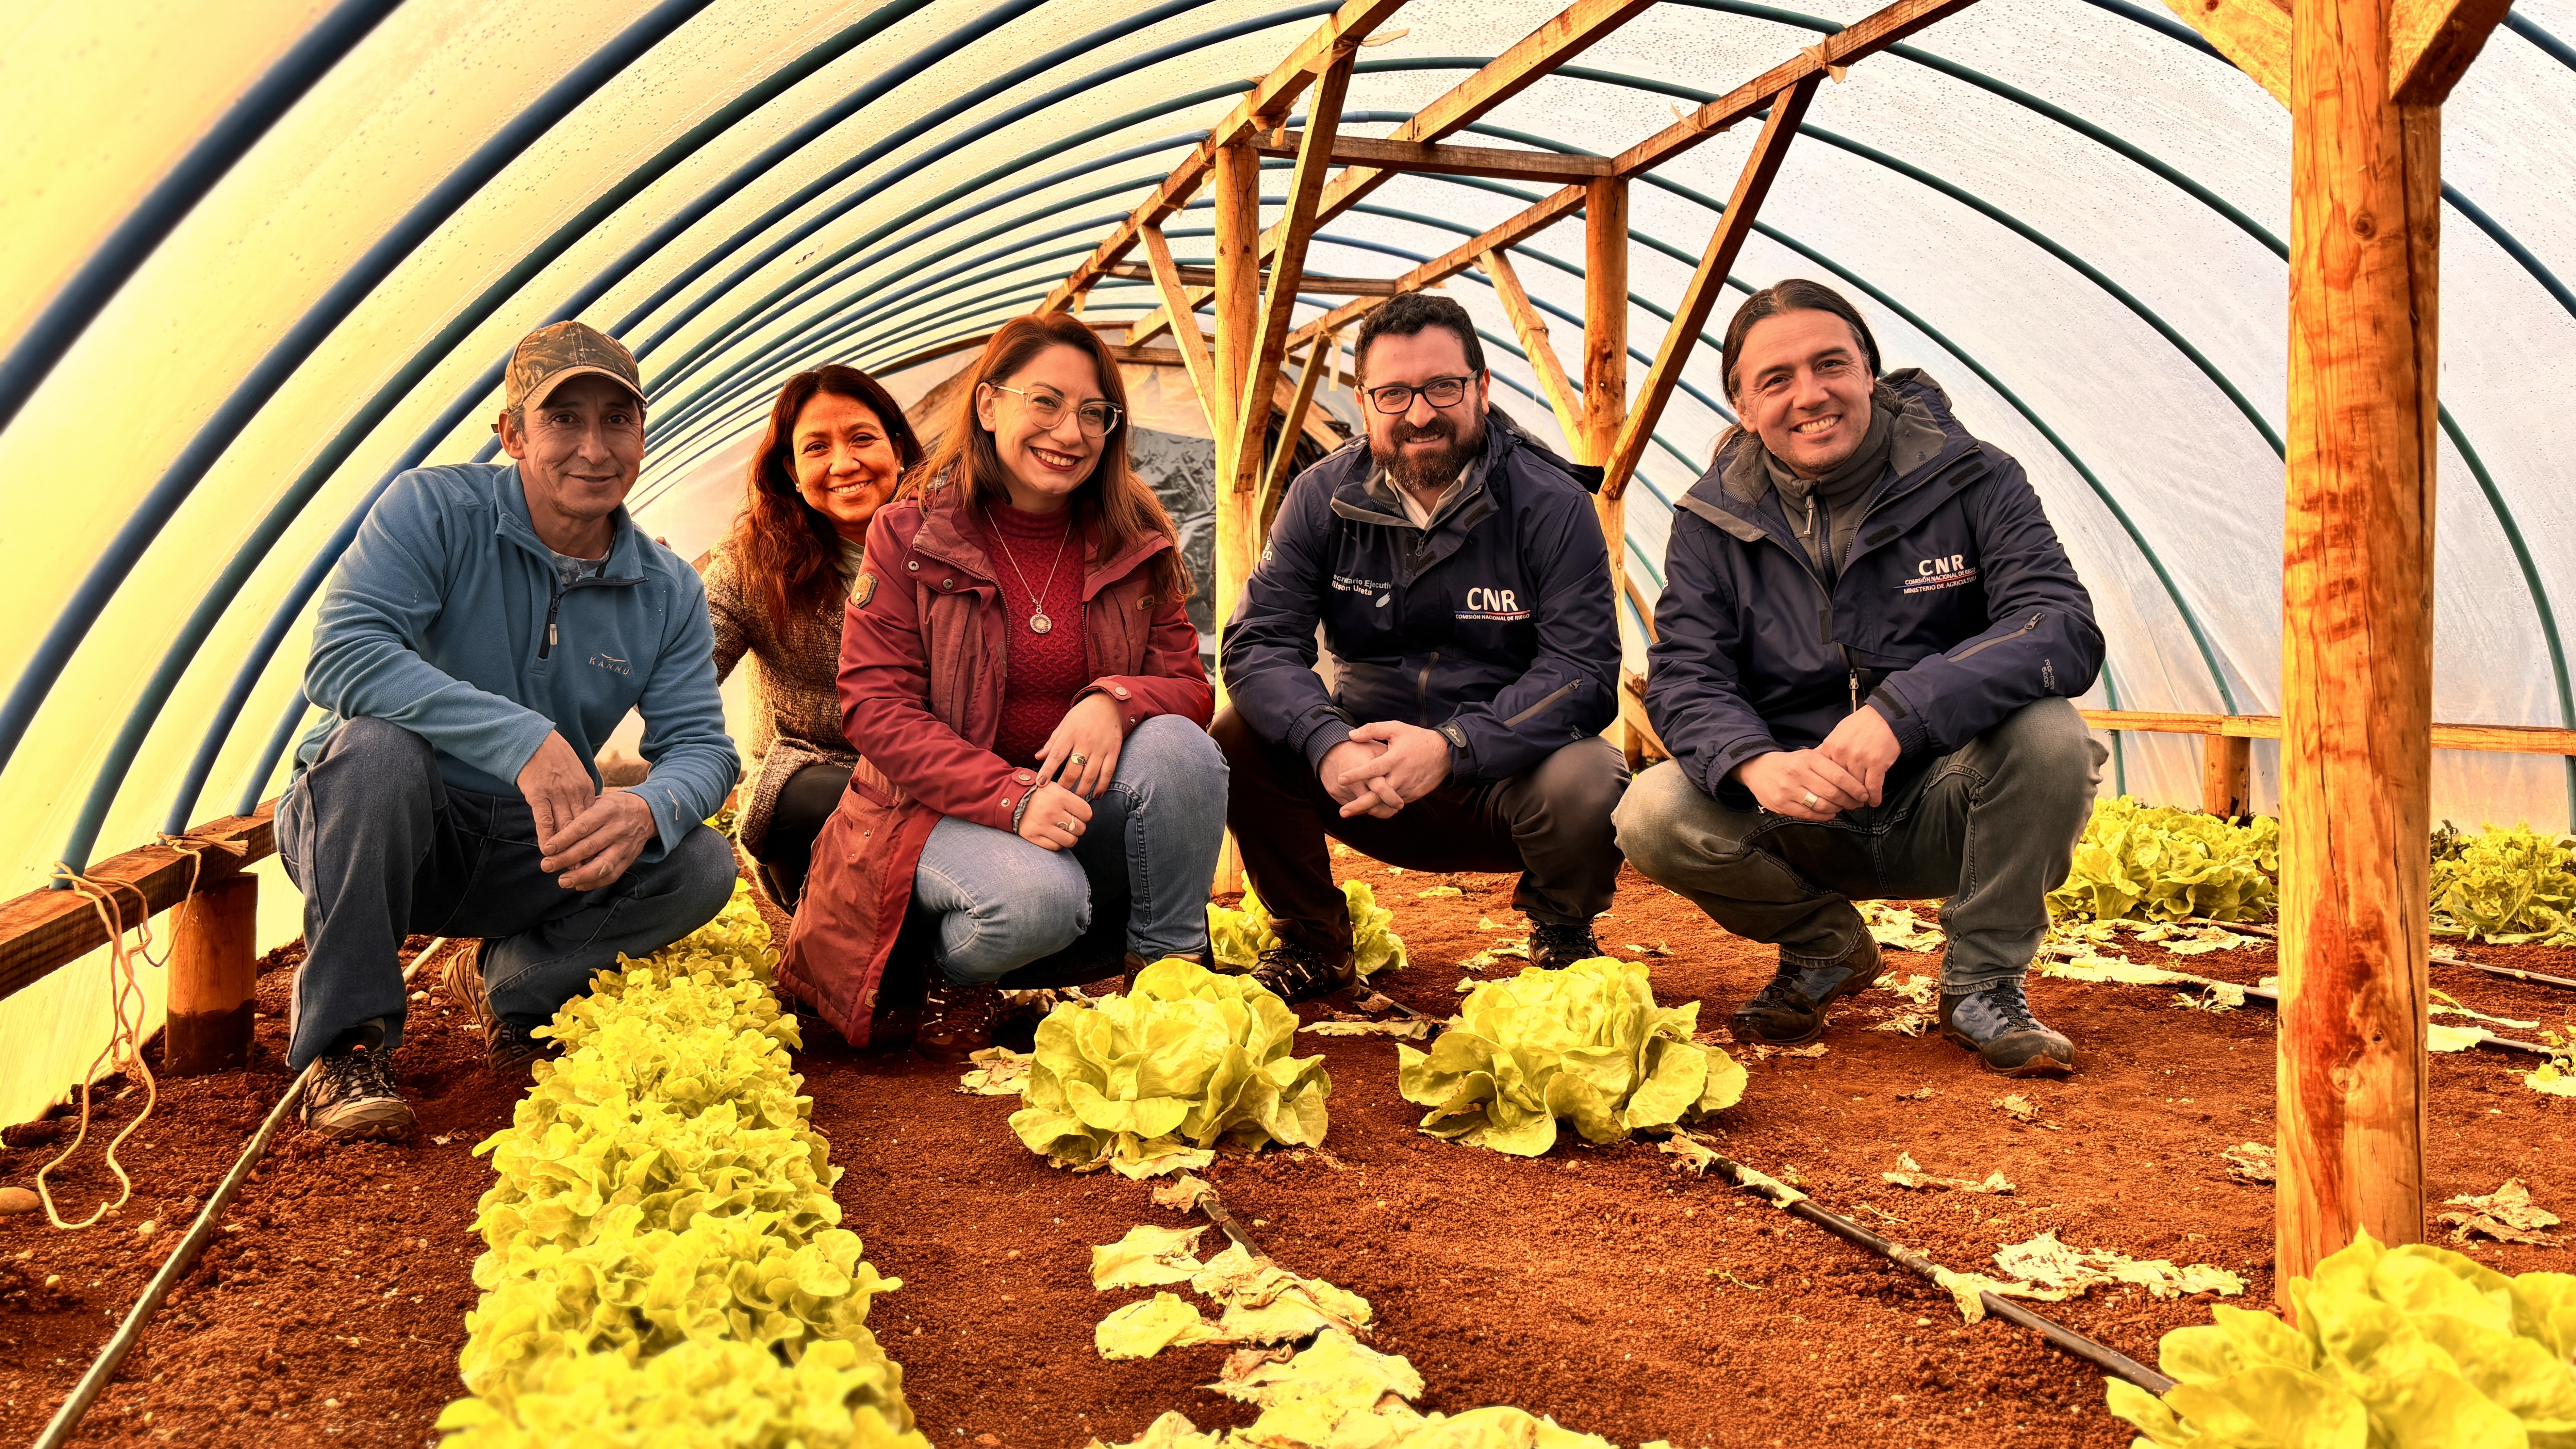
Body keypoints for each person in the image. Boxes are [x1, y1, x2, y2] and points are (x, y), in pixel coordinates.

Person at [1614, 279, 2106, 1077]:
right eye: (1775, 380)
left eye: (1830, 365)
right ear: (1743, 407)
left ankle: (1982, 984)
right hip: (1803, 815)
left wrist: (1901, 711)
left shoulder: (1973, 477)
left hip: (1944, 799)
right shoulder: (1710, 520)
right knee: (1651, 809)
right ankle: (1823, 946)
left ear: (1868, 372)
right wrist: (1753, 761)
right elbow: (1683, 676)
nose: (1809, 395)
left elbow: (2057, 624)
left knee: (2050, 733)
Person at [279, 321, 740, 1139]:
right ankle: (347, 1046)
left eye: (616, 419)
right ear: (512, 433)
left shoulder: (665, 588)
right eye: (563, 418)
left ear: (642, 431)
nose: (594, 448)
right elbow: (344, 655)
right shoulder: (434, 509)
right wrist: (521, 738)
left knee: (698, 860)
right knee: (377, 750)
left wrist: (647, 807)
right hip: (386, 827)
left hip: (531, 846)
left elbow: (704, 745)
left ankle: (513, 984)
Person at [782, 313, 1224, 1061]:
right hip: (934, 810)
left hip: (1074, 804)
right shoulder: (908, 533)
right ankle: (936, 968)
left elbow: (1186, 683)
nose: (1071, 431)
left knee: (1182, 750)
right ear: (988, 406)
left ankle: (1169, 980)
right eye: (1044, 401)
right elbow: (875, 708)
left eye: (1094, 412)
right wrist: (1010, 797)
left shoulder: (1134, 531)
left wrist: (1112, 701)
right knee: (1035, 904)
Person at [1214, 292, 1625, 1004]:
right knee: (1237, 732)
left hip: (1506, 785)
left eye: (1443, 387)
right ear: (1367, 402)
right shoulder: (1322, 496)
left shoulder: (1551, 502)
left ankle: (1563, 934)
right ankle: (1313, 941)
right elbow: (1258, 642)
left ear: (1482, 388)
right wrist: (1326, 741)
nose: (1421, 413)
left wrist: (1454, 746)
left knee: (1591, 775)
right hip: (1364, 781)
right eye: (1394, 393)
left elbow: (1584, 671)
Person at [703, 365, 925, 910]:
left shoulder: (955, 544)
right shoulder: (751, 565)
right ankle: (837, 960)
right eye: (817, 448)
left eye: (862, 439)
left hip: (939, 781)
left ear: (897, 449)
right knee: (823, 797)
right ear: (793, 471)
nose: (844, 464)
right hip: (813, 795)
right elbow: (684, 667)